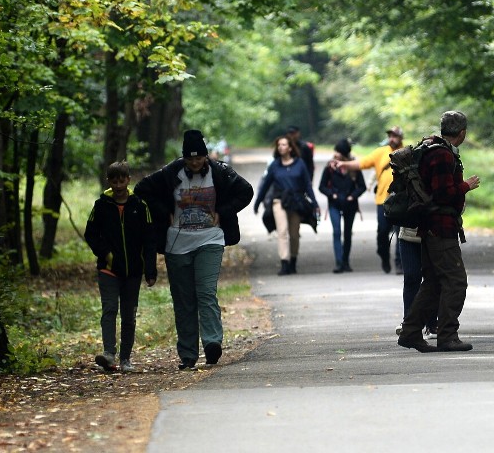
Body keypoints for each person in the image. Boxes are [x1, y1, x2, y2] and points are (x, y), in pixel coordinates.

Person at [134, 130, 254, 369]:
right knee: (183, 299)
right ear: (184, 158)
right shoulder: (171, 172)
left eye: (199, 158)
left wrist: (224, 211)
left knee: (206, 292)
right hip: (177, 244)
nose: (195, 163)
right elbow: (141, 190)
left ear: (206, 156)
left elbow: (246, 191)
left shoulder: (220, 171)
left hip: (210, 239)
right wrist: (163, 212)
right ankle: (187, 355)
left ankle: (212, 343)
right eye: (190, 159)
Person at [397, 111, 480, 353]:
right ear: (462, 133)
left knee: (433, 282)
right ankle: (448, 335)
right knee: (456, 281)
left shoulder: (430, 147)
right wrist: (466, 186)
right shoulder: (442, 154)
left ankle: (411, 332)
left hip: (429, 226)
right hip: (440, 227)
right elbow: (442, 193)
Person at [85, 161, 158, 373]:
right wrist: (106, 255)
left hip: (133, 270)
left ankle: (126, 359)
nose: (118, 185)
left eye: (122, 180)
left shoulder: (140, 206)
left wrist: (150, 270)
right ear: (109, 181)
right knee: (109, 309)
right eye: (114, 181)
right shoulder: (101, 206)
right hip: (108, 269)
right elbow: (91, 234)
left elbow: (150, 240)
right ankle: (108, 353)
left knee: (128, 314)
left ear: (128, 180)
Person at [335, 126, 405, 274]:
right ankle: (384, 255)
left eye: (395, 136)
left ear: (401, 138)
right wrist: (344, 164)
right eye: (390, 136)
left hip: (402, 199)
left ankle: (399, 263)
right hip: (383, 200)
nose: (392, 138)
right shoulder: (380, 152)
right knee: (382, 232)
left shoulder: (408, 152)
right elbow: (362, 163)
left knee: (401, 233)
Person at [253, 135, 320, 276]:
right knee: (282, 232)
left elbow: (307, 185)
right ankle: (284, 262)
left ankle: (293, 261)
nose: (281, 147)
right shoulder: (275, 165)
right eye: (279, 145)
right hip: (279, 201)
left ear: (290, 148)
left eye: (284, 145)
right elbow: (265, 185)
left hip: (295, 201)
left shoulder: (300, 164)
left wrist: (314, 203)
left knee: (294, 234)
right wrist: (257, 202)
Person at [318, 139, 367, 273]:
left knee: (347, 234)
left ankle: (346, 261)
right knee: (337, 232)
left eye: (338, 152)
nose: (335, 154)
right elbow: (321, 186)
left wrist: (353, 196)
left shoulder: (353, 167)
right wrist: (331, 194)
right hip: (334, 204)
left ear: (344, 154)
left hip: (350, 205)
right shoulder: (330, 167)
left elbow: (362, 186)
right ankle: (339, 262)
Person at [396, 226, 438, 338]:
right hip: (408, 235)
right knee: (411, 278)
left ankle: (432, 323)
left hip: (436, 235)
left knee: (433, 280)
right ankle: (408, 323)